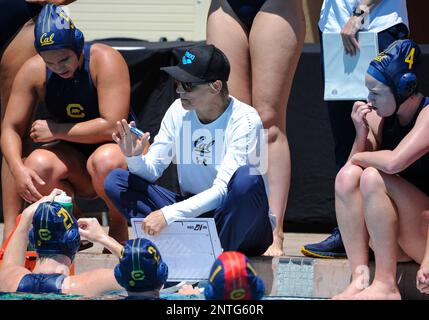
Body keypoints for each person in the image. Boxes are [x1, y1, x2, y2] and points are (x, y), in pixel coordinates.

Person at [104, 43, 275, 256]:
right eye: (177, 83)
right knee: (117, 181)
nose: (179, 91)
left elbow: (223, 192)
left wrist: (167, 215)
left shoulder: (247, 120)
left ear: (216, 86)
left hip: (243, 221)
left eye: (188, 85)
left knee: (246, 179)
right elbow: (152, 171)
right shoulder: (178, 111)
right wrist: (134, 156)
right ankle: (178, 247)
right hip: (196, 214)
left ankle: (216, 262)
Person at [1, 4, 130, 244]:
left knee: (105, 160)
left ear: (78, 46)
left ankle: (117, 221)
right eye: (49, 62)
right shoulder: (33, 71)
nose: (59, 68)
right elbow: (10, 128)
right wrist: (18, 169)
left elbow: (113, 126)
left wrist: (57, 130)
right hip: (75, 163)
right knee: (36, 165)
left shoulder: (105, 60)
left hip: (115, 157)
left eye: (64, 59)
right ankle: (72, 220)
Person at [302, 0, 409, 259]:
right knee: (348, 134)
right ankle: (350, 232)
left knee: (383, 133)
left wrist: (360, 12)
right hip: (336, 30)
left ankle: (395, 235)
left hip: (377, 26)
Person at [206, 0, 306, 256]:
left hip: (276, 6)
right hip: (225, 7)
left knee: (267, 121)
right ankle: (235, 223)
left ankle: (274, 229)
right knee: (233, 120)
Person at [331, 39, 429, 300]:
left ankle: (386, 285)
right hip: (397, 238)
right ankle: (360, 279)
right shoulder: (380, 118)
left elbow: (395, 162)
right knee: (347, 178)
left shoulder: (427, 115)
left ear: (404, 88)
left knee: (374, 177)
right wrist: (361, 134)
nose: (368, 100)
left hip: (425, 239)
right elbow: (350, 170)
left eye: (376, 92)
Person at [0, 189, 168, 298]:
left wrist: (28, 214)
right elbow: (145, 271)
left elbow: (10, 263)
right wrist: (103, 238)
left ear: (32, 238)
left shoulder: (8, 279)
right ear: (74, 240)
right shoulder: (85, 285)